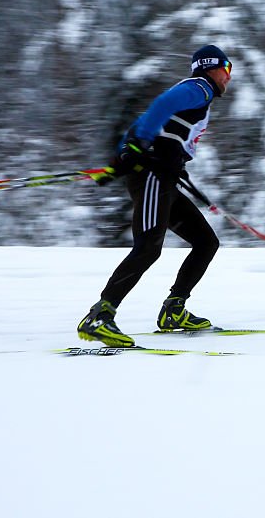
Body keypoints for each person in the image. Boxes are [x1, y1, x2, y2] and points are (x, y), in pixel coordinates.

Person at [77, 45, 234, 347]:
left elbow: (153, 120)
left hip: (163, 178)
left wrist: (124, 156)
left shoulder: (198, 94)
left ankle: (174, 310)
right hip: (152, 177)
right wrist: (137, 146)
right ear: (211, 67)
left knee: (206, 242)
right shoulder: (199, 87)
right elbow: (160, 105)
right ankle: (99, 316)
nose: (228, 78)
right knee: (148, 247)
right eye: (226, 70)